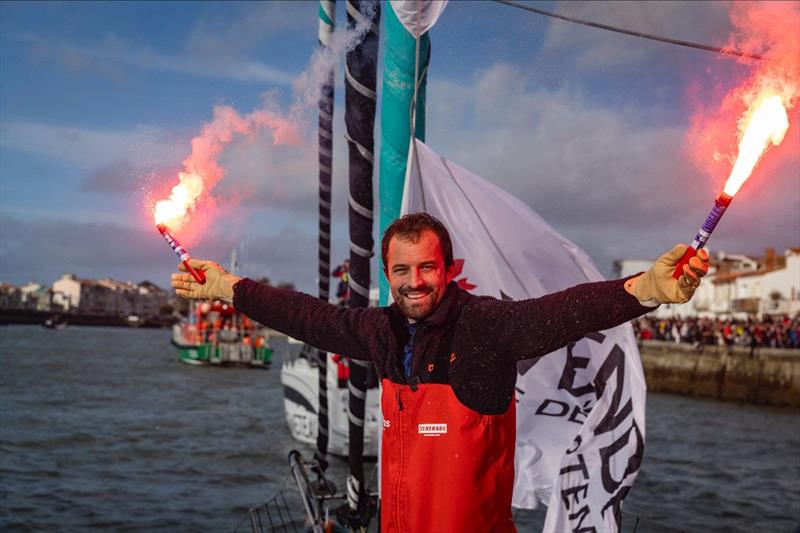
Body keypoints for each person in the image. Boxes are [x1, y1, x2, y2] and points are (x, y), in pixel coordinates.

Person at [171, 212, 709, 533]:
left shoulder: (486, 328)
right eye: (401, 270)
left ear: (448, 270)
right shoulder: (379, 331)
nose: (414, 282)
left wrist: (646, 289)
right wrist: (226, 287)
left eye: (426, 267)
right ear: (387, 274)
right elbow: (309, 317)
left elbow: (561, 311)